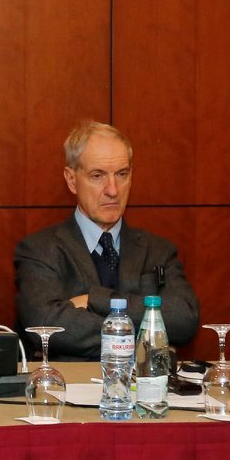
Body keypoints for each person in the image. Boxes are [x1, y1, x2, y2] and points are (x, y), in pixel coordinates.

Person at [13, 120, 199, 359]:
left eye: (122, 174)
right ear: (71, 180)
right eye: (97, 175)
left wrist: (95, 300)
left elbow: (184, 319)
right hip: (72, 382)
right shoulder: (39, 250)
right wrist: (149, 340)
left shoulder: (158, 250)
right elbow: (47, 324)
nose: (113, 190)